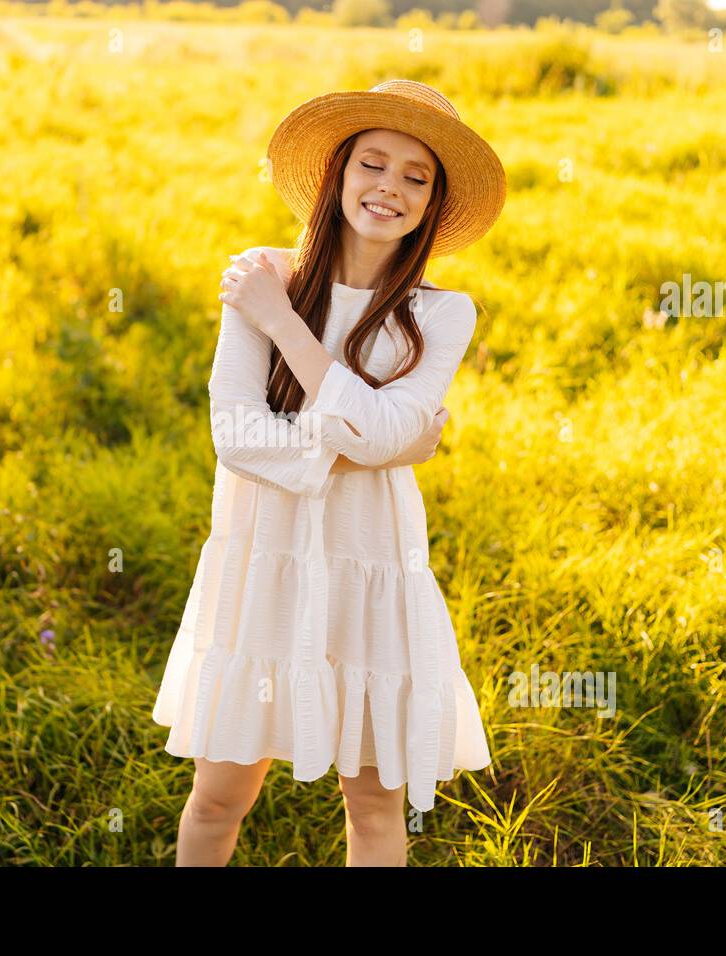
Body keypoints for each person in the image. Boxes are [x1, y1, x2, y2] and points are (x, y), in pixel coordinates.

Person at [151, 79, 508, 866]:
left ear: (434, 203)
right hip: (262, 567)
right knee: (217, 798)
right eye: (373, 164)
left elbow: (381, 433)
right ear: (337, 172)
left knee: (375, 810)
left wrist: (283, 326)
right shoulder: (259, 272)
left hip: (370, 570)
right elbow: (235, 434)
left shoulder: (442, 313)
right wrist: (372, 440)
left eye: (417, 177)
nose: (389, 188)